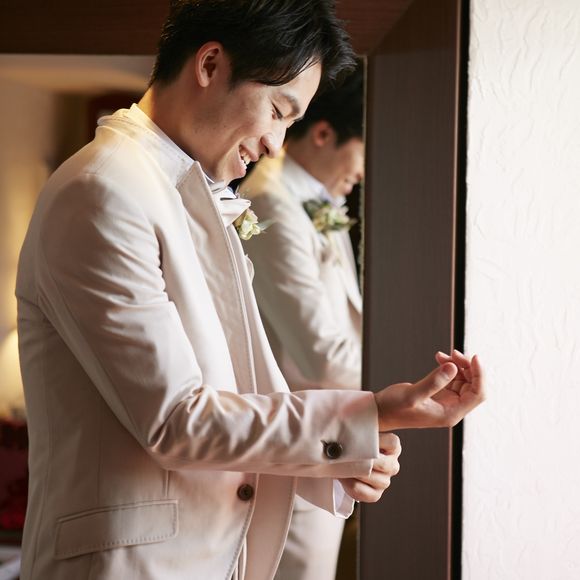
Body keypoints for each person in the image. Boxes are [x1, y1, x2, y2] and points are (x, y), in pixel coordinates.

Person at [15, 1, 485, 579]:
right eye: (278, 111)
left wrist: (342, 454)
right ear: (210, 64)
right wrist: (364, 416)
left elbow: (232, 389)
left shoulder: (180, 190)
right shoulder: (103, 191)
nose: (276, 144)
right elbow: (176, 419)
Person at [239, 65, 365, 580]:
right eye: (363, 150)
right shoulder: (272, 201)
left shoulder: (314, 198)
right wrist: (404, 384)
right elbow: (320, 354)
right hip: (296, 441)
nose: (363, 172)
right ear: (323, 133)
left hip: (326, 438)